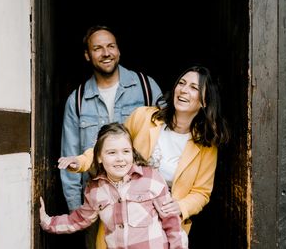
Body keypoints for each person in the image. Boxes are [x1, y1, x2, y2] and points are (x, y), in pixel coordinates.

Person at [58, 64, 230, 240]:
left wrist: (181, 206)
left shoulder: (206, 145)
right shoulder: (143, 117)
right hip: (121, 223)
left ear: (205, 101)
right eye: (182, 83)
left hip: (165, 230)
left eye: (194, 88)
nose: (184, 90)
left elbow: (201, 192)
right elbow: (109, 146)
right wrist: (81, 162)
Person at [60, 25, 162, 249]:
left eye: (110, 46)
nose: (106, 53)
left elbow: (166, 138)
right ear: (88, 55)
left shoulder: (146, 87)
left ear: (118, 51)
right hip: (97, 203)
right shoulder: (77, 101)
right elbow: (70, 157)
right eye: (97, 48)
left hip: (142, 201)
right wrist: (77, 210)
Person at [41, 122, 188, 249]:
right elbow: (78, 219)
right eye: (112, 152)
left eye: (126, 151)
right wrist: (48, 222)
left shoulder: (151, 178)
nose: (120, 159)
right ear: (99, 157)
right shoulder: (95, 190)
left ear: (132, 153)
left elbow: (173, 224)